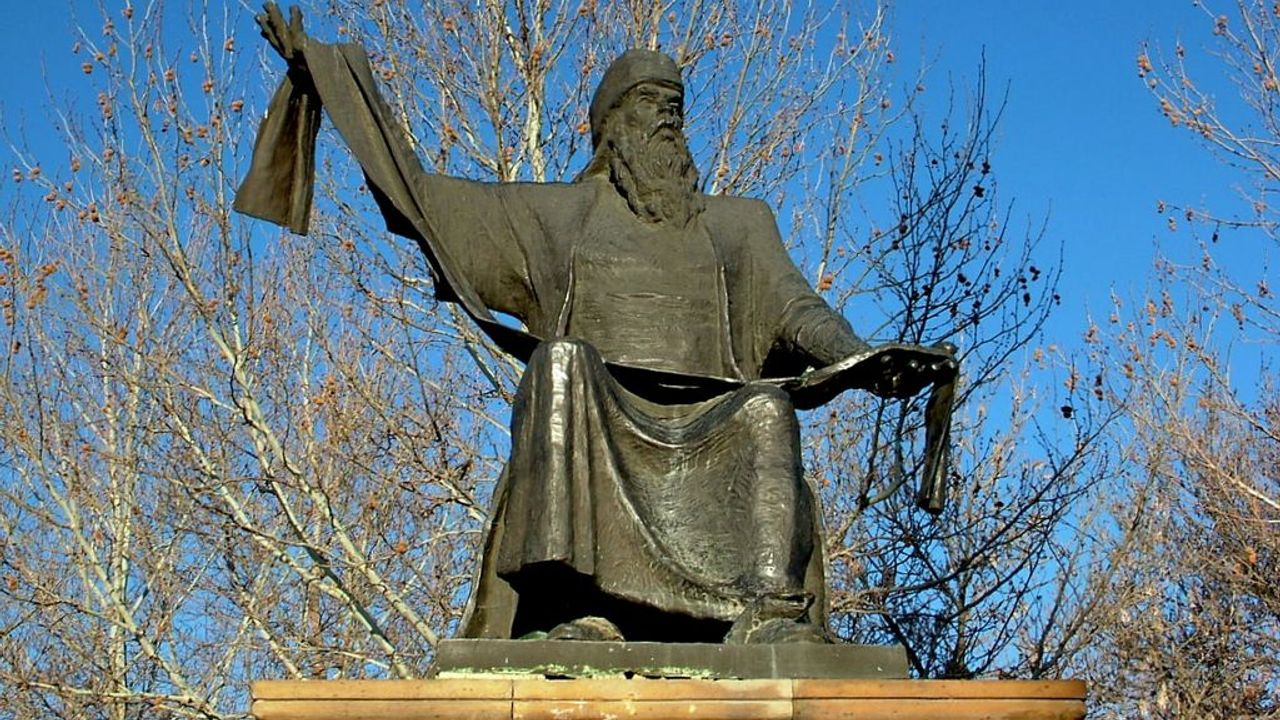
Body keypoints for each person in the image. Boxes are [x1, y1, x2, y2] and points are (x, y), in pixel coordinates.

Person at [235, 4, 955, 644]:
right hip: (597, 416)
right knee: (561, 364)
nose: (667, 116)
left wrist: (863, 355)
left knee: (766, 407)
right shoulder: (556, 217)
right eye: (648, 102)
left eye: (675, 105)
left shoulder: (739, 224)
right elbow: (421, 198)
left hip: (714, 419)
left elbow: (798, 310)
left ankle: (772, 612)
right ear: (610, 125)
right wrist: (331, 76)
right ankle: (578, 605)